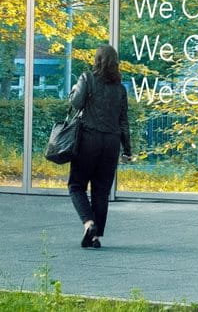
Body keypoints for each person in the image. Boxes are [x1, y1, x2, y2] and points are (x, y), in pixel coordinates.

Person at [67, 43, 131, 248]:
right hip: (111, 143)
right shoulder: (120, 89)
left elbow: (76, 103)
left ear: (97, 61)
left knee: (76, 185)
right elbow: (123, 121)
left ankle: (89, 223)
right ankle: (95, 237)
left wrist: (73, 91)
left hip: (88, 139)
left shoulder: (87, 78)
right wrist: (127, 150)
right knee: (101, 190)